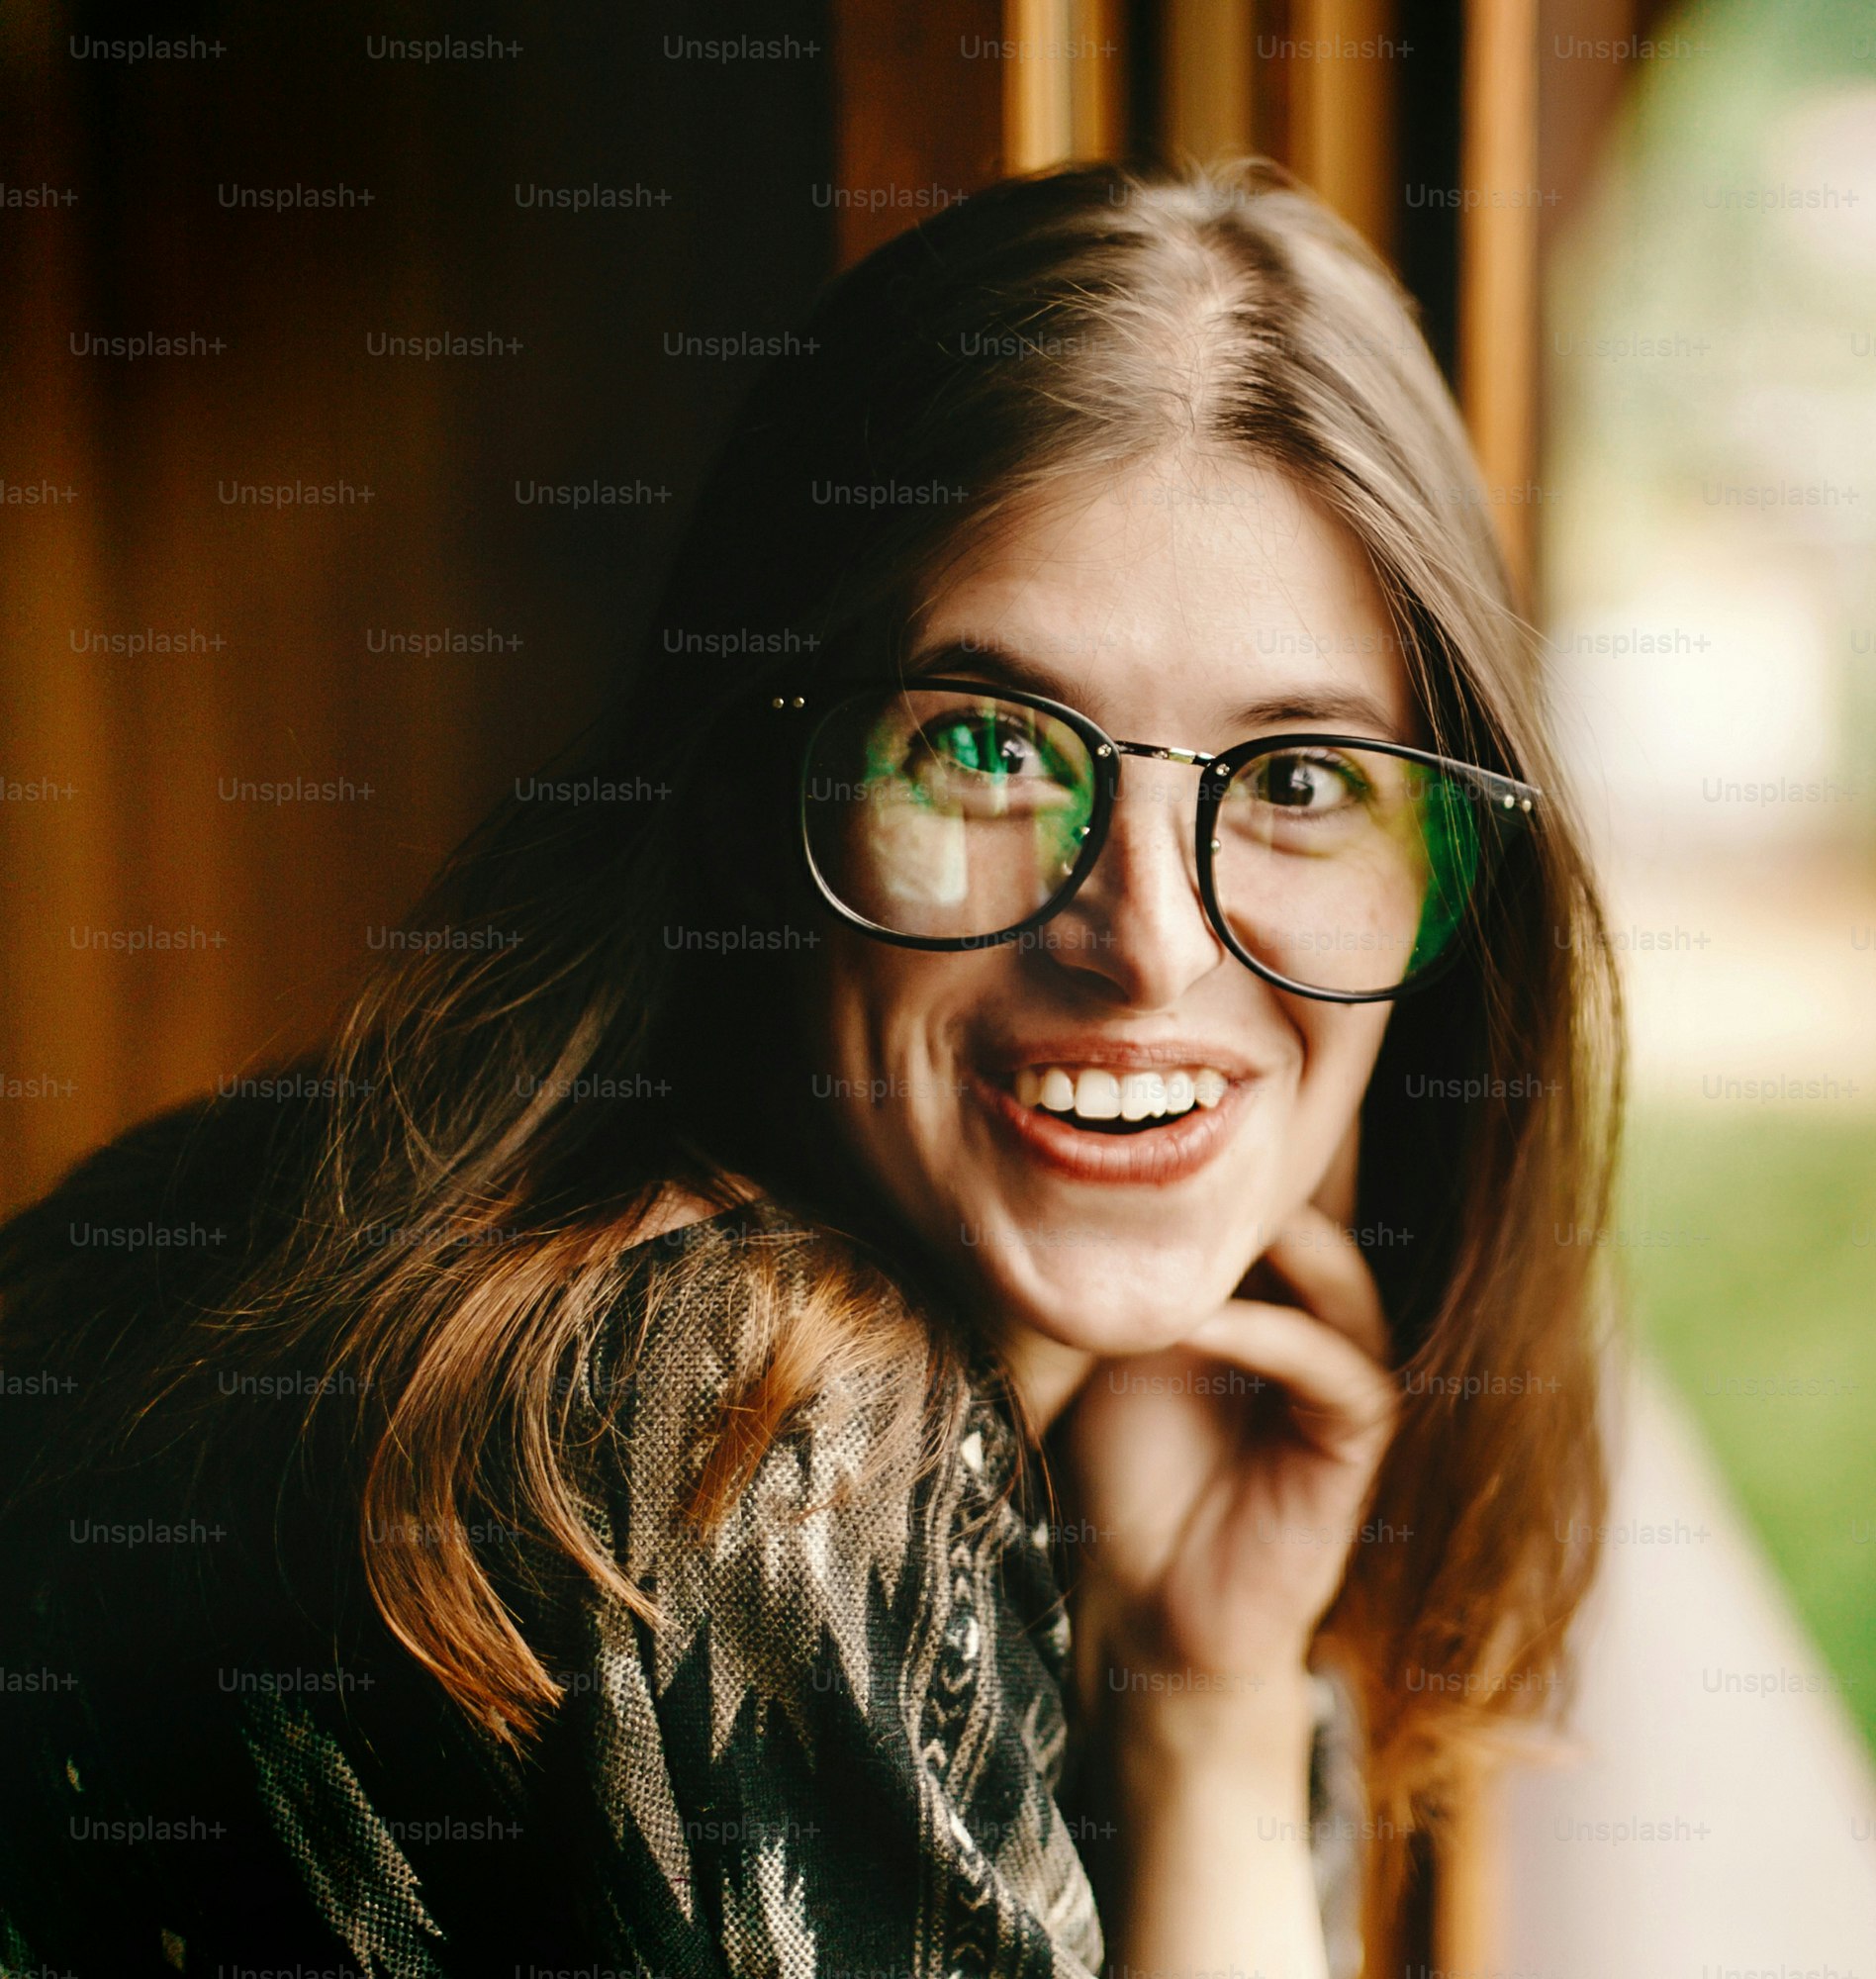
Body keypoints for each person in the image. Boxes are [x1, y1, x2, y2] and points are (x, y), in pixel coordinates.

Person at [0, 160, 1621, 1979]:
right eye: (991, 747)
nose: (1149, 945)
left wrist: (1210, 1704)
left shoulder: (460, 1221)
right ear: (761, 781)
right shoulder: (742, 1430)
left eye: (1305, 781)